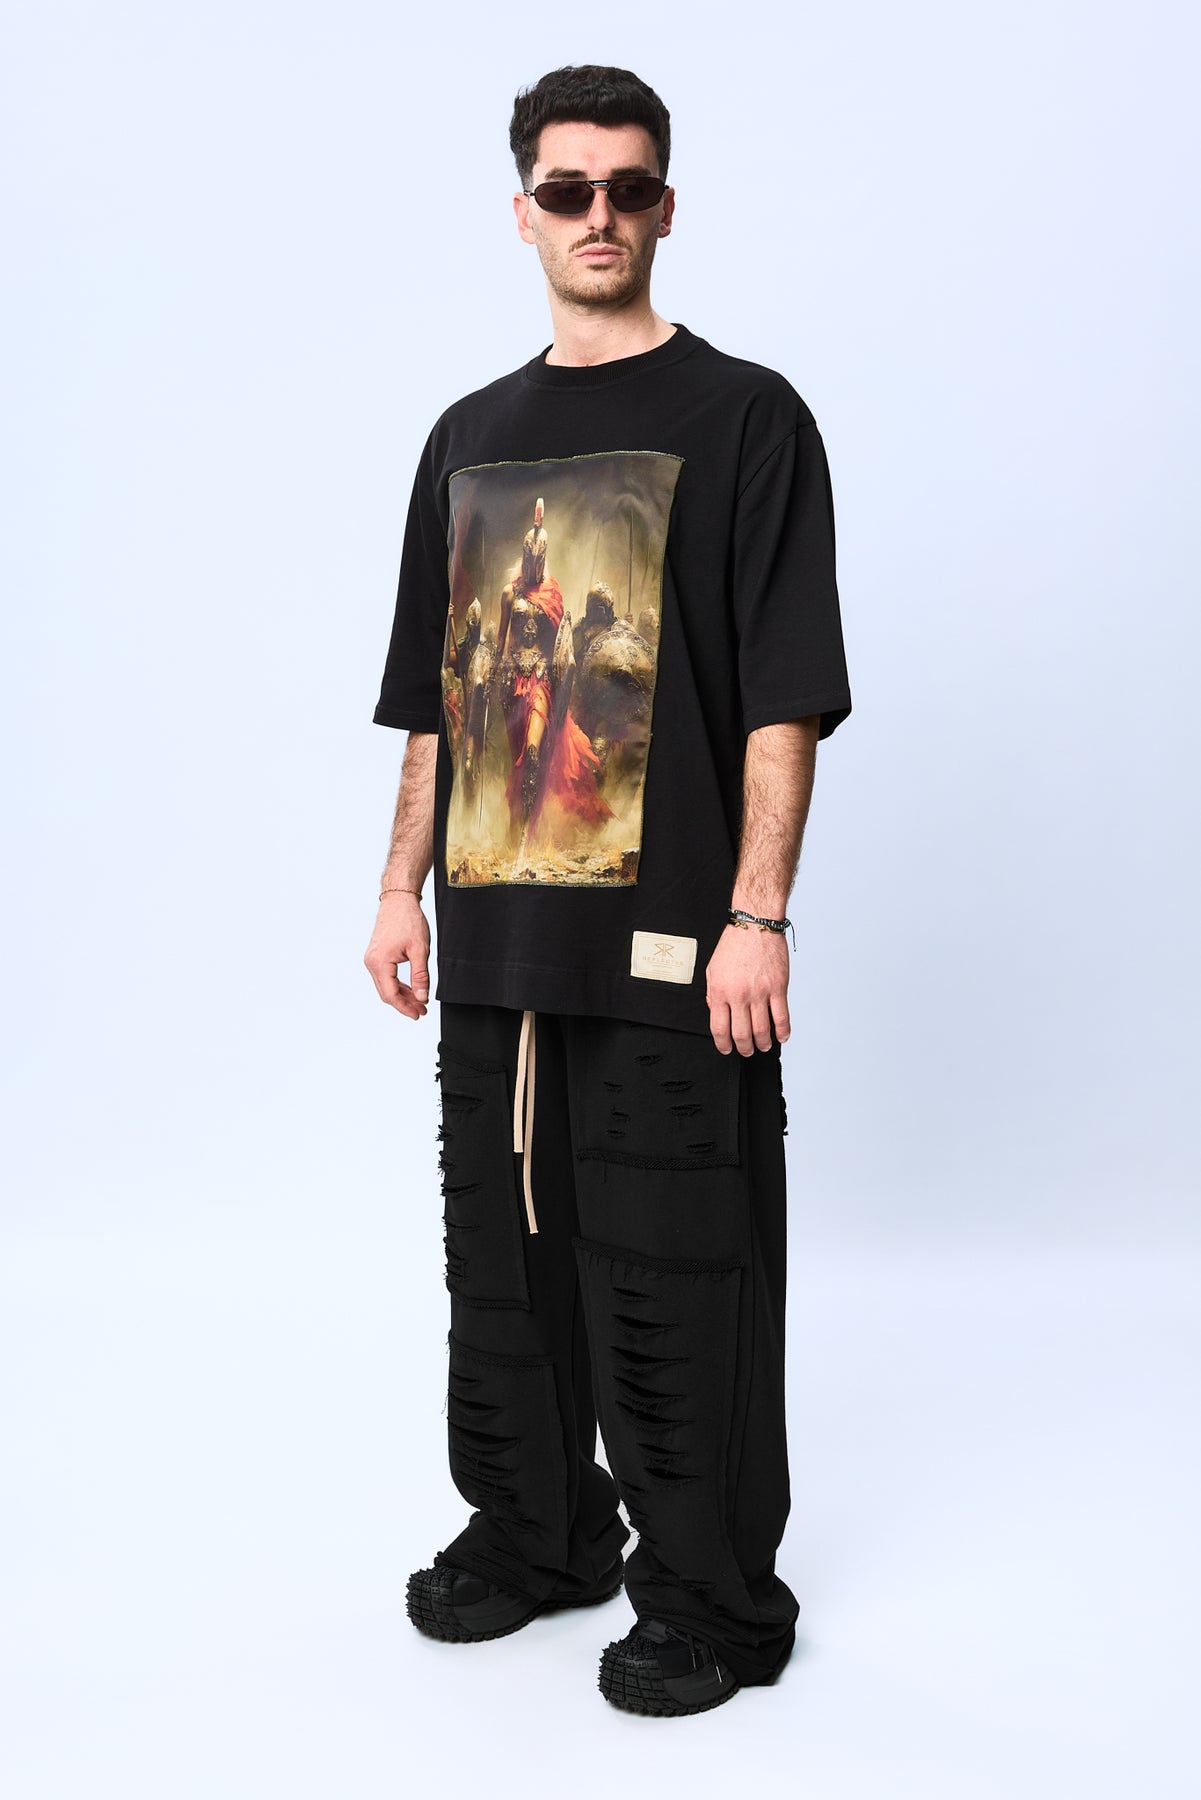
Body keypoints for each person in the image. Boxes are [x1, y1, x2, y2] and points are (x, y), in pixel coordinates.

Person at [364, 64, 852, 1718]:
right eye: (566, 190)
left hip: (668, 942)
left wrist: (756, 915)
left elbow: (783, 694)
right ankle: (538, 1532)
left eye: (626, 188)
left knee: (674, 1273)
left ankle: (710, 1596)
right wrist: (398, 890)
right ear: (523, 213)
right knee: (500, 1266)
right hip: (496, 934)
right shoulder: (469, 437)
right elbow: (434, 696)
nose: (598, 216)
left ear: (665, 207)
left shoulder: (746, 417)